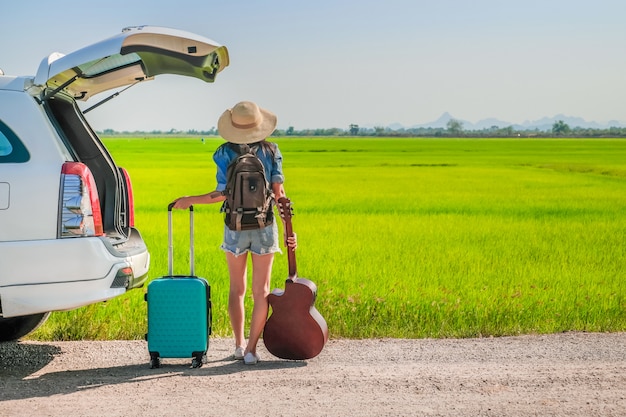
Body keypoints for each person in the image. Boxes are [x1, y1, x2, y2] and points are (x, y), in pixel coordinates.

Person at [171, 101, 296, 365]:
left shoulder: (224, 153)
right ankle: (251, 351)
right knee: (260, 291)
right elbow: (280, 195)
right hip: (264, 227)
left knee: (237, 288)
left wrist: (189, 199)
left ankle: (238, 345)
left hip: (234, 226)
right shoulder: (272, 151)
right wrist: (289, 231)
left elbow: (220, 194)